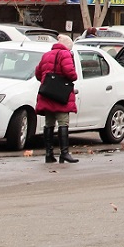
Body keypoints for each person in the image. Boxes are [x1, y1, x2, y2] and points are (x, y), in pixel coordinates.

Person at [35, 34, 79, 164]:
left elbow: (38, 73)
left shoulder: (46, 55)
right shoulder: (65, 54)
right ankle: (64, 153)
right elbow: (70, 73)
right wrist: (74, 75)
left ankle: (49, 154)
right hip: (60, 94)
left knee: (49, 123)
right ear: (67, 47)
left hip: (47, 93)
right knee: (63, 122)